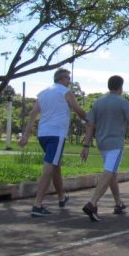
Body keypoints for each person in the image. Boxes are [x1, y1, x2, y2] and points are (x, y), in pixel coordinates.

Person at [18, 68, 87, 217]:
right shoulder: (65, 92)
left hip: (43, 134)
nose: (69, 81)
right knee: (49, 167)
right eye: (68, 79)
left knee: (55, 166)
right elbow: (77, 109)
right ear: (62, 79)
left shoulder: (43, 93)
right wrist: (90, 120)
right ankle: (37, 205)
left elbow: (33, 113)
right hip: (56, 134)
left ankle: (62, 197)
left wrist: (26, 135)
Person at [80, 75, 129, 222]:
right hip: (115, 144)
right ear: (120, 87)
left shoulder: (98, 102)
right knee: (109, 172)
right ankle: (92, 203)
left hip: (101, 143)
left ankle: (118, 204)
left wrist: (86, 145)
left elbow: (90, 124)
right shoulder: (123, 102)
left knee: (112, 174)